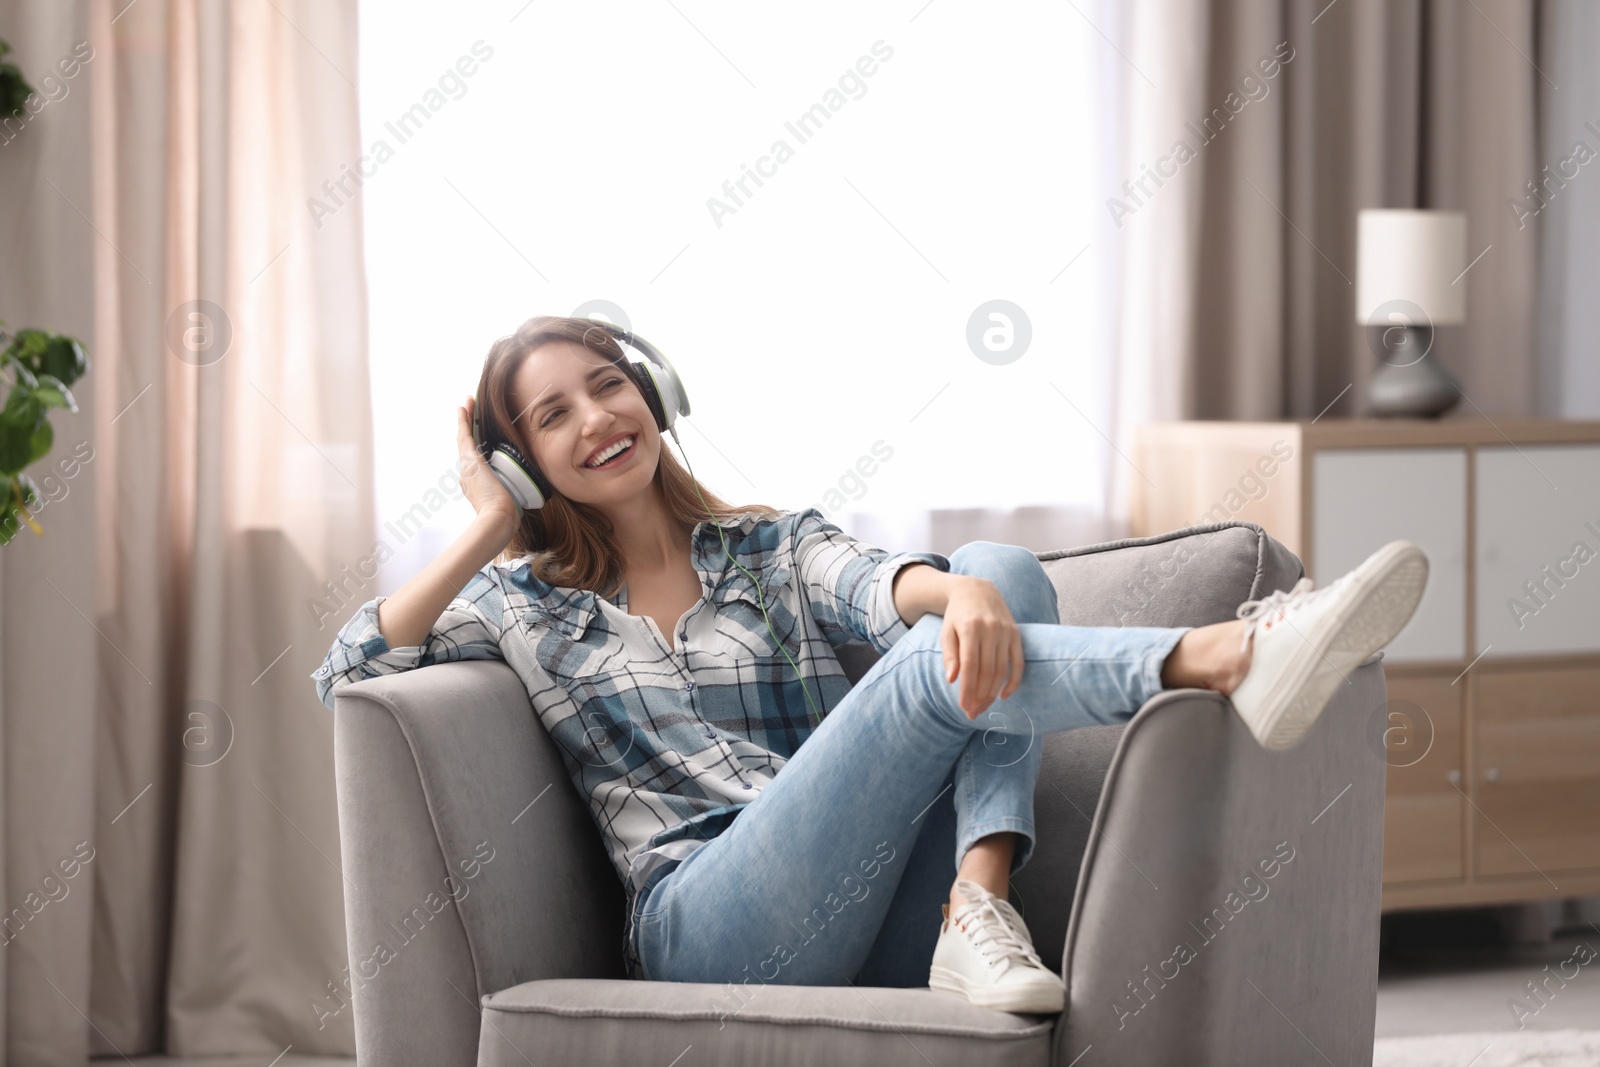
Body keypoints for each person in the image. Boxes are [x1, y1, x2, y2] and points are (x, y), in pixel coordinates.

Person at [312, 315, 1429, 1016]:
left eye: (609, 382)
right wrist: (483, 515)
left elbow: (874, 579)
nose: (600, 416)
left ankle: (974, 914)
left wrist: (964, 590)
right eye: (553, 417)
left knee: (993, 562)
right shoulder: (519, 604)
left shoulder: (763, 542)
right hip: (709, 925)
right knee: (923, 668)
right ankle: (1228, 653)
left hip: (874, 912)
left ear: (653, 391)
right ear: (525, 460)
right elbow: (352, 670)